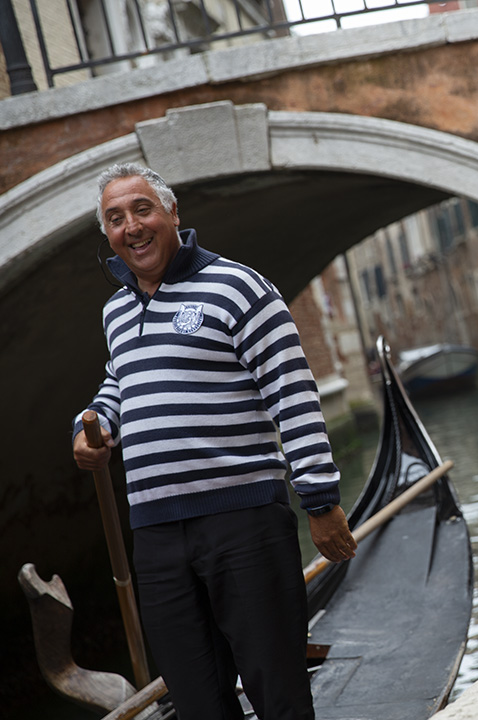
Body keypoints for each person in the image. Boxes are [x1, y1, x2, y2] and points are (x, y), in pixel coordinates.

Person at [72, 163, 359, 719]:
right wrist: (96, 423)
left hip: (244, 524)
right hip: (155, 536)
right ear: (106, 233)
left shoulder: (239, 287)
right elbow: (119, 382)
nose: (131, 226)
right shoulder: (116, 309)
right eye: (115, 218)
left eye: (142, 210)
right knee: (198, 703)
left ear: (173, 213)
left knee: (277, 693)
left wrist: (320, 502)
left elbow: (293, 395)